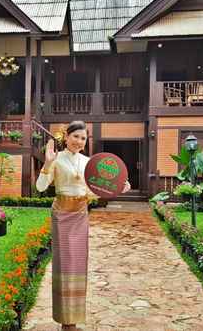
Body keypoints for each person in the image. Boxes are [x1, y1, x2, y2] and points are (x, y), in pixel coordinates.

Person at [35, 120, 130, 331]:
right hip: (62, 214)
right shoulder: (56, 159)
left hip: (80, 214)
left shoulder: (88, 162)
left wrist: (118, 189)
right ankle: (65, 321)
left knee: (78, 265)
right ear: (66, 137)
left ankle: (73, 320)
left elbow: (92, 192)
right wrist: (47, 163)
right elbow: (40, 187)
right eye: (76, 136)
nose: (79, 141)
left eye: (83, 138)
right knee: (65, 266)